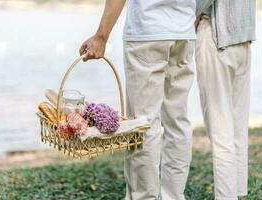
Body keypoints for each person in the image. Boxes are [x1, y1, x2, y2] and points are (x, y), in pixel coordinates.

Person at [79, 1, 196, 199]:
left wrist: (101, 35)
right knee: (178, 123)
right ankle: (174, 196)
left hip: (147, 32)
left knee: (143, 125)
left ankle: (145, 197)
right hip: (184, 33)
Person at [196, 1, 256, 199]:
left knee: (221, 132)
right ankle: (239, 193)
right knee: (238, 129)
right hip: (243, 37)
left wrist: (191, 15)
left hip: (216, 37)